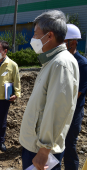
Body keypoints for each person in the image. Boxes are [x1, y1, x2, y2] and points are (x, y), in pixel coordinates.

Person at [19, 10, 79, 170]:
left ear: (49, 36)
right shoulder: (52, 61)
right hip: (35, 144)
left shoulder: (61, 64)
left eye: (36, 34)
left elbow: (57, 109)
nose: (33, 39)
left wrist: (44, 149)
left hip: (40, 149)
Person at [63, 24, 87, 170]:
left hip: (73, 111)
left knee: (69, 143)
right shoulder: (60, 61)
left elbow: (76, 94)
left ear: (73, 42)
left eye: (62, 41)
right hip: (59, 109)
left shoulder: (82, 64)